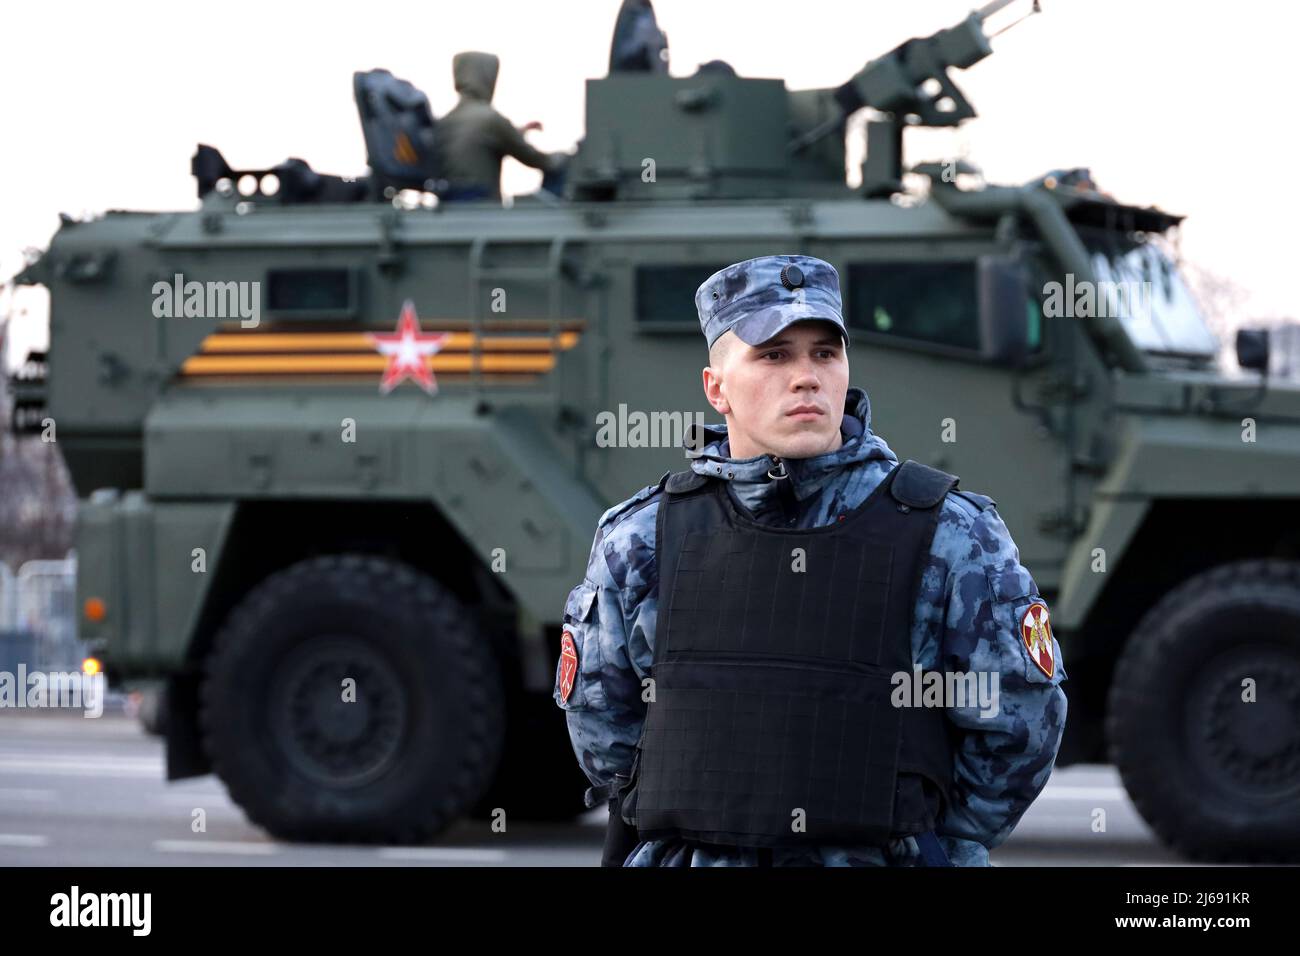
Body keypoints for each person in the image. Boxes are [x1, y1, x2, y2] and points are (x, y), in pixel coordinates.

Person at [554, 254, 1068, 867]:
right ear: (716, 388)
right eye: (773, 355)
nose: (806, 377)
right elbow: (604, 728)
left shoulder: (950, 533)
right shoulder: (643, 537)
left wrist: (931, 849)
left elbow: (1019, 723)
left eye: (824, 353)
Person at [435, 51, 565, 202]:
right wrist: (561, 158)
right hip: (482, 208)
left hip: (448, 205)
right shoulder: (490, 119)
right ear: (487, 77)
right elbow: (535, 158)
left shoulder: (445, 121)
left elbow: (477, 140)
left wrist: (518, 132)